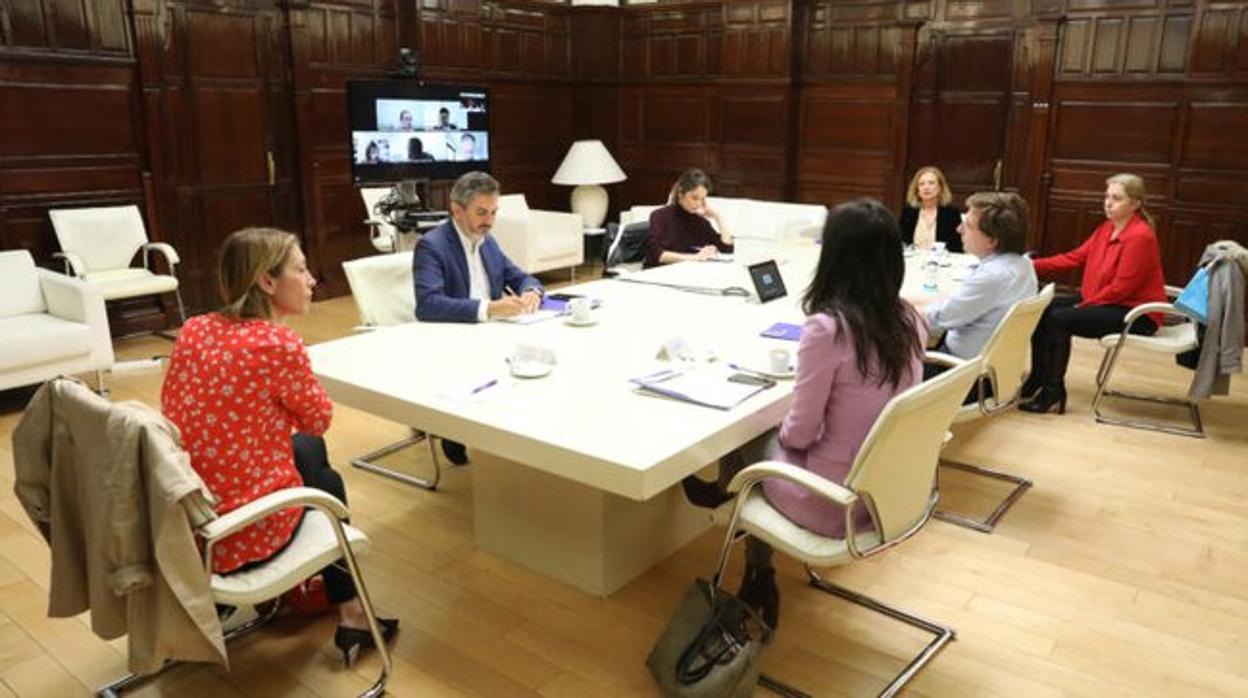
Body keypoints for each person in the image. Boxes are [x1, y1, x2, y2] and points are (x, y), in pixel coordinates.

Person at [683, 199, 926, 630]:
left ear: (833, 257)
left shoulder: (828, 329)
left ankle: (754, 558)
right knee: (770, 433)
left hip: (834, 503)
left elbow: (798, 437)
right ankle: (732, 507)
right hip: (889, 492)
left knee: (745, 437)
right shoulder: (909, 318)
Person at [161, 227, 398, 666]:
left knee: (312, 458)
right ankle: (351, 611)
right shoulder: (276, 343)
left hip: (188, 517)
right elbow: (318, 418)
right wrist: (277, 414)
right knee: (323, 475)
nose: (313, 280)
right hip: (236, 535)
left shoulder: (194, 329)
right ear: (267, 283)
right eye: (302, 269)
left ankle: (349, 610)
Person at [413, 171, 543, 464]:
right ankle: (455, 430)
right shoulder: (432, 245)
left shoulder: (488, 241)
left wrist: (532, 291)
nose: (490, 220)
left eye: (494, 212)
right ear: (457, 210)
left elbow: (522, 277)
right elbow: (428, 305)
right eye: (482, 212)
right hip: (454, 337)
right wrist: (489, 308)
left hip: (492, 331)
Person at [1020, 173, 1166, 414]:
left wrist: (1085, 305)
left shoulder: (1140, 236)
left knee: (1059, 319)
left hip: (1135, 313)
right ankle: (1038, 377)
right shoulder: (1106, 228)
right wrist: (1028, 265)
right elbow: (1074, 257)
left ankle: (1053, 391)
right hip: (1104, 299)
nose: (1108, 203)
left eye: (1117, 198)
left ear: (1135, 203)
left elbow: (1122, 289)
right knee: (1043, 308)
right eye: (1107, 196)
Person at [908, 191, 1037, 370]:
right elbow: (957, 305)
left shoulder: (991, 277)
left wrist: (898, 309)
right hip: (994, 366)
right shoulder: (1023, 264)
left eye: (967, 225)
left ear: (991, 240)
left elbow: (937, 319)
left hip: (961, 373)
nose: (959, 229)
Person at [642, 168, 733, 268]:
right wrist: (695, 257)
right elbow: (657, 255)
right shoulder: (659, 216)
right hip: (657, 273)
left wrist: (718, 217)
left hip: (687, 273)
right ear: (681, 193)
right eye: (694, 198)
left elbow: (727, 249)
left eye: (702, 199)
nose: (698, 203)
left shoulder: (700, 222)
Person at [898, 166, 963, 253]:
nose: (926, 187)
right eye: (921, 184)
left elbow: (957, 247)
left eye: (931, 183)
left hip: (942, 263)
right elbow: (901, 242)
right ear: (917, 190)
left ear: (940, 188)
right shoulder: (909, 212)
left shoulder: (951, 213)